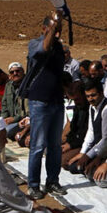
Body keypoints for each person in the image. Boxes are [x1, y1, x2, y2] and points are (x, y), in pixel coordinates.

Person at [22, 14, 68, 200]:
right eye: (53, 29)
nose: (57, 33)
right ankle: (33, 185)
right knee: (38, 145)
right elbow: (42, 50)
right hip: (39, 101)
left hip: (56, 101)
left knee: (55, 145)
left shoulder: (59, 47)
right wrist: (52, 30)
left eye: (59, 30)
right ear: (44, 29)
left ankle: (52, 181)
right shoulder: (35, 43)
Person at [63, 78, 107, 177]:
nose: (91, 99)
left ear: (101, 93)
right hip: (95, 148)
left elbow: (106, 139)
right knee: (73, 166)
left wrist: (88, 155)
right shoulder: (92, 107)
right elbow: (90, 131)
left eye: (93, 95)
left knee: (88, 171)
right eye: (88, 96)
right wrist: (83, 153)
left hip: (105, 150)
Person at [0, 62, 28, 139]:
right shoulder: (8, 86)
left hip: (22, 120)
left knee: (7, 132)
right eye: (12, 72)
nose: (15, 73)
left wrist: (14, 119)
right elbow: (4, 104)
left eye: (18, 71)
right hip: (10, 119)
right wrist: (4, 119)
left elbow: (26, 110)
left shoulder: (28, 86)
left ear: (23, 71)